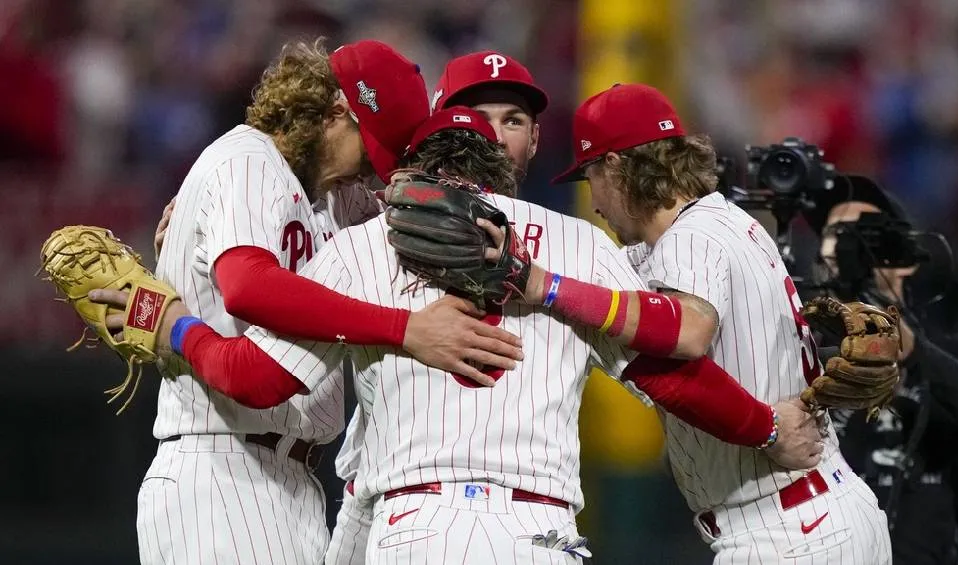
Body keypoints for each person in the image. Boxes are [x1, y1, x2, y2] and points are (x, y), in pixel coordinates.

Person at [121, 106, 826, 564]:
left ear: (413, 169)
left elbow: (258, 378)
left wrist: (173, 321)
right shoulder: (579, 246)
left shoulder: (362, 246)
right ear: (498, 166)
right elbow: (672, 376)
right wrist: (766, 425)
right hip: (542, 535)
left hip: (414, 527)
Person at [102, 39, 523, 565]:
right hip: (221, 469)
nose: (373, 168)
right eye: (370, 148)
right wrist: (404, 329)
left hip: (295, 482)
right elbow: (248, 287)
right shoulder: (246, 159)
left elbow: (419, 230)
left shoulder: (331, 196)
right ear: (333, 112)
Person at [552, 83, 892, 564]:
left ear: (615, 167)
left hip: (786, 529)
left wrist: (544, 287)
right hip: (823, 510)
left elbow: (688, 332)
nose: (596, 202)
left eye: (590, 177)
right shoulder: (726, 220)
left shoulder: (689, 240)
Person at [326, 48, 550, 565]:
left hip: (519, 504)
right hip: (381, 497)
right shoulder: (367, 222)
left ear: (536, 138)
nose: (492, 133)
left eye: (512, 119)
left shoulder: (577, 248)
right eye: (477, 116)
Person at [804, 175, 958, 565]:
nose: (847, 247)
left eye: (864, 235)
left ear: (904, 256)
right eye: (836, 234)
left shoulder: (955, 353)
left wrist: (913, 352)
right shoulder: (802, 354)